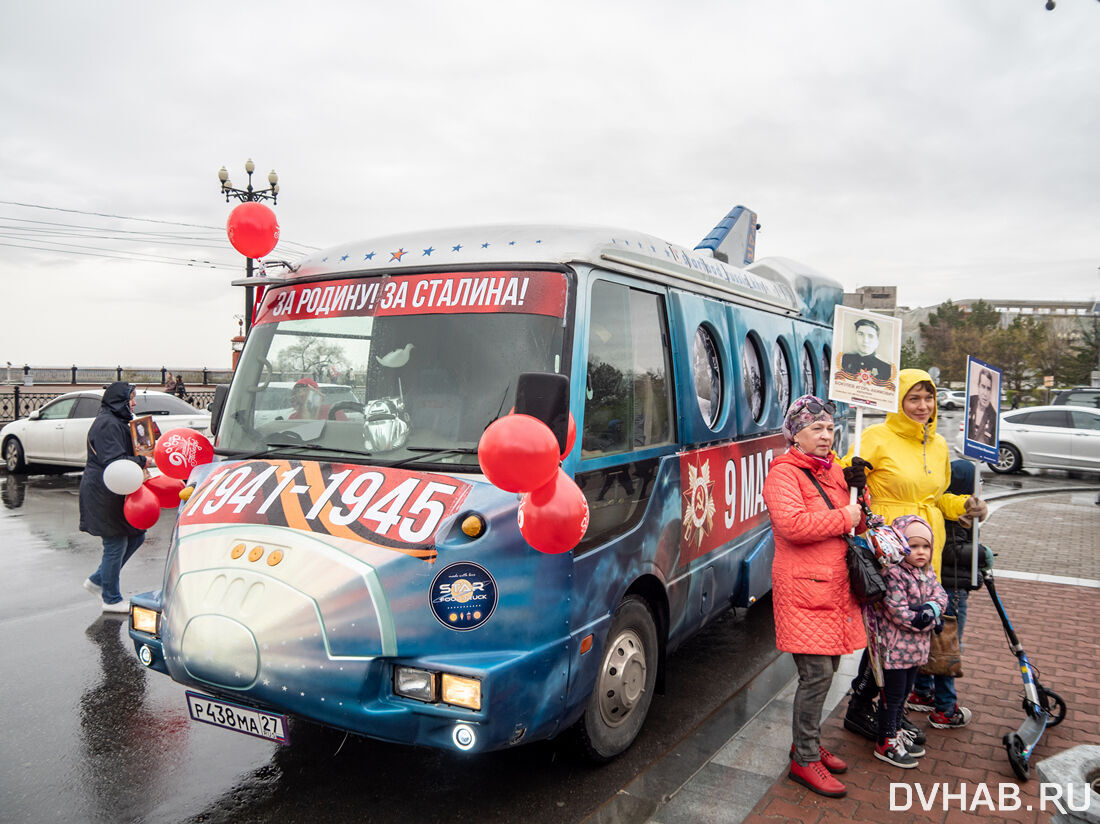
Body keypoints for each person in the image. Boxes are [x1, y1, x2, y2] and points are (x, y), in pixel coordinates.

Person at [842, 369, 988, 738]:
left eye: (929, 398)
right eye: (914, 398)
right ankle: (865, 708)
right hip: (889, 550)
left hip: (925, 551)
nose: (923, 406)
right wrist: (851, 474)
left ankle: (885, 709)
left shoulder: (938, 445)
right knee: (885, 636)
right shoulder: (876, 437)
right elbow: (841, 474)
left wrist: (964, 506)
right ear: (899, 401)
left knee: (906, 637)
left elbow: (937, 498)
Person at [761, 395, 866, 798]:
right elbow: (792, 525)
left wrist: (860, 491)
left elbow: (858, 518)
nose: (826, 435)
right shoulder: (783, 474)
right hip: (805, 590)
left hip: (835, 588)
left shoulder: (832, 470)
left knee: (828, 671)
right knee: (815, 675)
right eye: (816, 429)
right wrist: (846, 516)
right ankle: (803, 760)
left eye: (829, 428)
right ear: (796, 434)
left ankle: (807, 743)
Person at [909, 460, 993, 728]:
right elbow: (953, 553)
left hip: (935, 587)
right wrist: (982, 555)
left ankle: (922, 692)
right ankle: (945, 707)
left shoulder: (935, 510)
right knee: (947, 646)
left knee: (930, 639)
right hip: (950, 589)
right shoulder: (950, 516)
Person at [867, 515, 948, 768]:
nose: (921, 552)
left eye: (925, 546)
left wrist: (932, 610)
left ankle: (896, 734)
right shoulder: (894, 573)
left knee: (904, 694)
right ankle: (886, 740)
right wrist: (927, 617)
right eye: (913, 547)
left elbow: (941, 594)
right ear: (901, 547)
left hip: (915, 651)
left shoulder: (927, 571)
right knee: (892, 696)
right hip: (894, 650)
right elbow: (897, 611)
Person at [79, 382, 149, 613]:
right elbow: (114, 461)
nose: (134, 402)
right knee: (115, 542)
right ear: (119, 400)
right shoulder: (106, 424)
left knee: (136, 536)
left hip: (117, 490)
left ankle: (98, 580)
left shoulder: (118, 420)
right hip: (103, 492)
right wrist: (143, 461)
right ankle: (111, 599)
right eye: (131, 398)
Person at [966, 367, 997, 445]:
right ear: (978, 386)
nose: (985, 393)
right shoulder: (969, 402)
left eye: (988, 389)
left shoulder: (993, 416)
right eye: (983, 387)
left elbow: (992, 444)